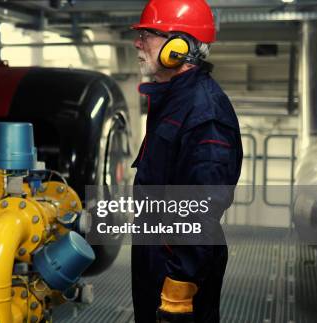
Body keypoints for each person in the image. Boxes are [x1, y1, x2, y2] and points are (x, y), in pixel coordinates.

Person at [129, 0, 243, 322]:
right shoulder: (174, 100)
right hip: (158, 257)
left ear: (179, 47)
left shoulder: (205, 112)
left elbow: (202, 208)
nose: (138, 43)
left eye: (148, 34)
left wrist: (179, 288)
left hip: (178, 271)